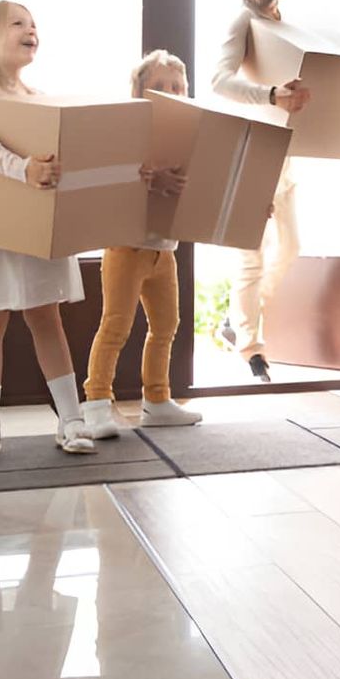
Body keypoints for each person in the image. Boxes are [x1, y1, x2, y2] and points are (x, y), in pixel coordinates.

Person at [0, 0, 98, 462]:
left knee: (45, 315)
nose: (31, 29)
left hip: (35, 213)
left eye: (34, 24)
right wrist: (21, 168)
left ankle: (71, 419)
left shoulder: (37, 97)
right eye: (18, 23)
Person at [80, 50, 206, 437]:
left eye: (177, 87)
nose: (170, 92)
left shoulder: (189, 136)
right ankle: (97, 403)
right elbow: (116, 176)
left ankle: (157, 400)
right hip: (125, 246)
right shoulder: (130, 130)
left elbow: (204, 187)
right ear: (140, 91)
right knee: (116, 324)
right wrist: (152, 179)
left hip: (163, 249)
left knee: (167, 325)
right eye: (160, 87)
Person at [210, 0, 310, 381]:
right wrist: (269, 94)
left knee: (289, 247)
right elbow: (219, 81)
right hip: (253, 149)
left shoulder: (286, 27)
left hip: (286, 151)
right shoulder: (243, 23)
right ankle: (251, 347)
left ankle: (234, 321)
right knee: (251, 256)